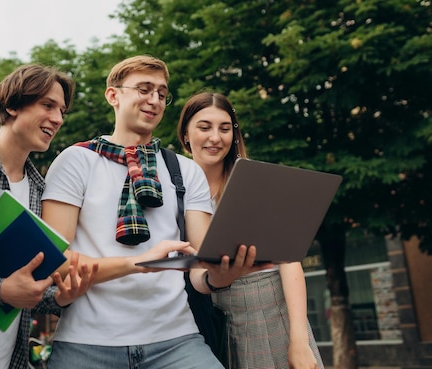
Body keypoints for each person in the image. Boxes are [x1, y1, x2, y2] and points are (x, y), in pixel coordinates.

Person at [40, 55, 269, 369]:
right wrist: (139, 263)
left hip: (176, 342)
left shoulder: (185, 171)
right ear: (113, 95)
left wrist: (219, 276)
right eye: (144, 89)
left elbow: (200, 266)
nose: (155, 100)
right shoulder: (76, 161)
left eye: (162, 93)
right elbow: (57, 261)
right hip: (87, 343)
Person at [0, 64, 98, 369]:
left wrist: (59, 298)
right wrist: (1, 290)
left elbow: (29, 288)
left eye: (62, 110)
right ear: (11, 106)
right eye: (48, 105)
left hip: (9, 357)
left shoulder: (41, 191)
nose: (58, 119)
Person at [177, 91, 324, 369]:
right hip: (208, 317)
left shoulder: (254, 181)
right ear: (185, 134)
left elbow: (290, 260)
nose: (215, 137)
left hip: (269, 308)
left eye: (224, 128)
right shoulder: (174, 187)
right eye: (204, 127)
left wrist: (299, 339)